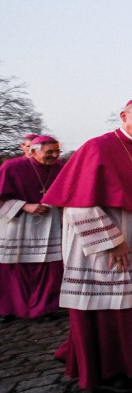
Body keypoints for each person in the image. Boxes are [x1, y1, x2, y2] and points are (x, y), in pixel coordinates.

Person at [42, 97, 132, 393]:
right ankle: (107, 374)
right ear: (124, 116)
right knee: (105, 311)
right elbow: (77, 204)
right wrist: (111, 242)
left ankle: (117, 363)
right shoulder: (97, 148)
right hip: (101, 250)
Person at [0, 135, 64, 321]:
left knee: (48, 268)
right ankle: (8, 309)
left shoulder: (60, 168)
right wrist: (25, 206)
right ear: (33, 151)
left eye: (57, 151)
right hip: (17, 224)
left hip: (49, 224)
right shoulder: (12, 167)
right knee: (13, 268)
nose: (54, 156)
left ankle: (43, 309)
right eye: (49, 152)